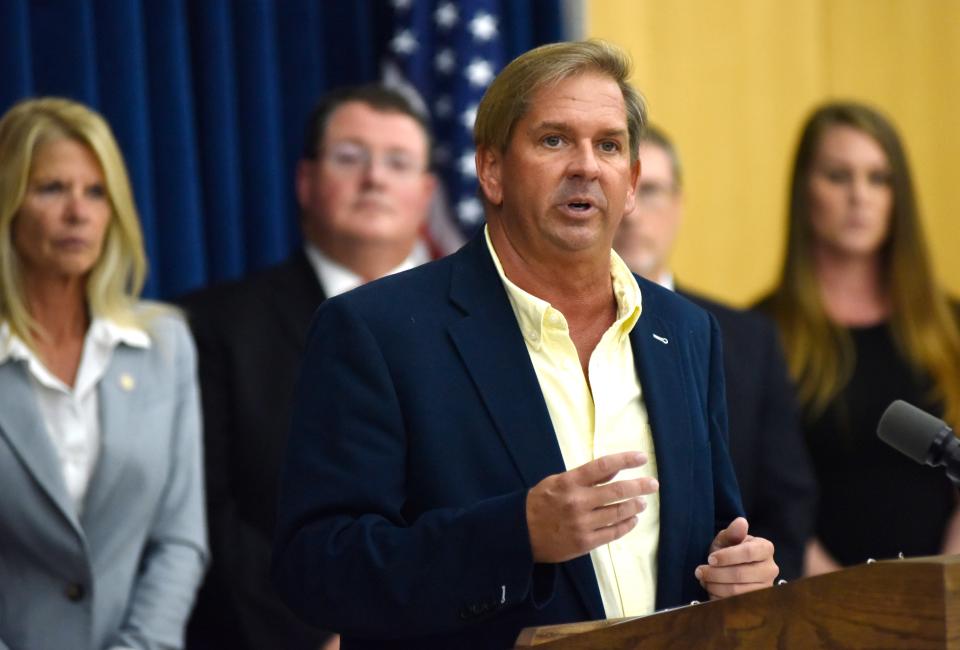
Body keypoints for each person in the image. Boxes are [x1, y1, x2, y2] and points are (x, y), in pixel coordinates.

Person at [272, 40, 777, 649]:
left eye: (609, 145)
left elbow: (718, 529)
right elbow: (318, 569)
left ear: (633, 183)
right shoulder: (377, 330)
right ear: (492, 171)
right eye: (554, 140)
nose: (586, 165)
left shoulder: (686, 332)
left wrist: (736, 570)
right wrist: (517, 537)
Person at [179, 84, 436, 650]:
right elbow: (207, 514)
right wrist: (318, 634)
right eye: (350, 157)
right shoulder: (211, 326)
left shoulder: (484, 324)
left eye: (397, 163)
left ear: (425, 193)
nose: (374, 178)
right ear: (305, 181)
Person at [0, 98, 206, 649]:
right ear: (8, 203)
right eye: (51, 189)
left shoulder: (165, 344)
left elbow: (180, 539)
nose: (79, 212)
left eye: (96, 192)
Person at [756, 101, 960, 574]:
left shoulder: (948, 325)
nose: (860, 197)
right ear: (805, 191)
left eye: (878, 178)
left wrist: (944, 582)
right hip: (817, 606)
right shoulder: (759, 335)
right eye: (838, 176)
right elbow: (764, 495)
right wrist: (841, 600)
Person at [614, 125, 817, 581]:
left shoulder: (747, 339)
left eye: (649, 191)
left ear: (680, 204)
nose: (631, 212)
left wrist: (758, 579)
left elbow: (787, 501)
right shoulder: (545, 327)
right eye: (620, 188)